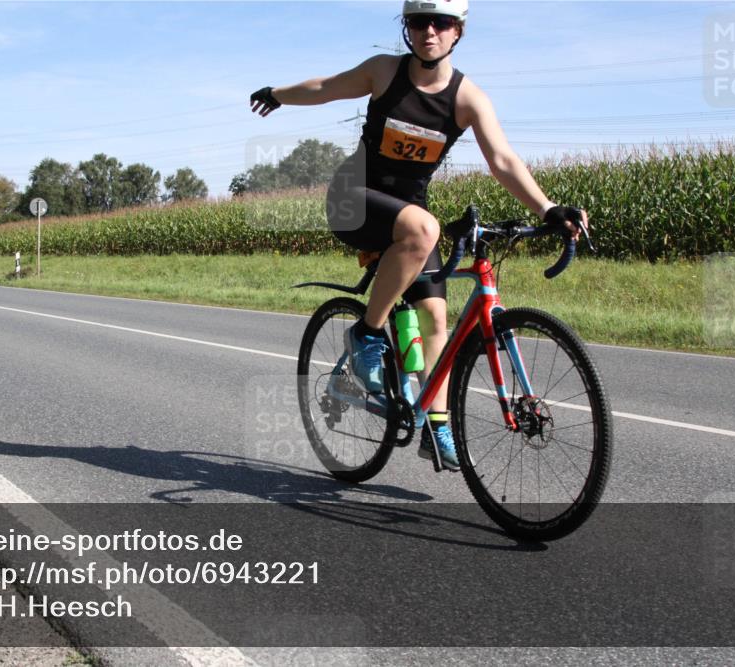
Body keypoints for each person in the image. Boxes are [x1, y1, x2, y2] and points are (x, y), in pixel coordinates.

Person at [251, 0, 589, 470]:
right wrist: (278, 93)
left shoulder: (468, 98)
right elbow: (328, 87)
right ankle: (366, 335)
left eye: (442, 22)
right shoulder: (384, 72)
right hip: (354, 198)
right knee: (424, 227)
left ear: (458, 32)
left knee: (435, 319)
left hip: (409, 214)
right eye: (418, 21)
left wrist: (548, 208)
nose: (429, 31)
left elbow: (504, 161)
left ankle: (438, 422)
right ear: (406, 28)